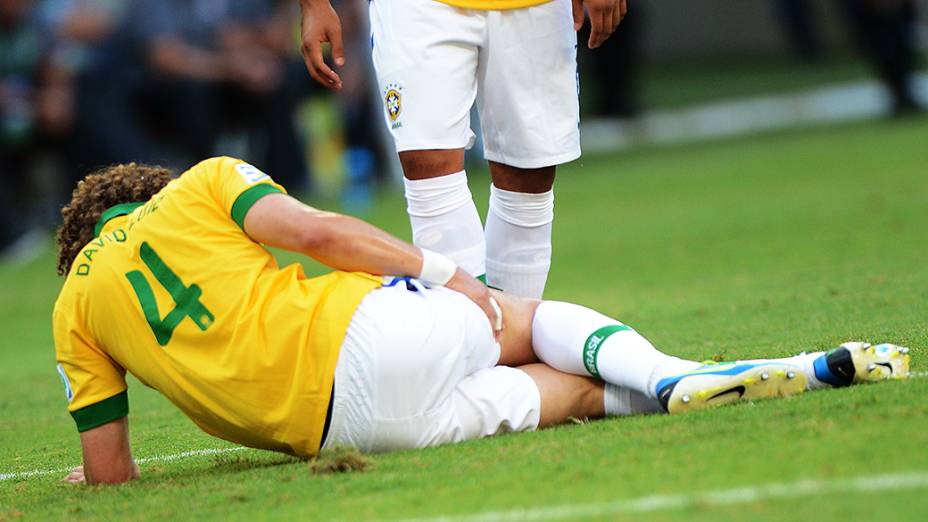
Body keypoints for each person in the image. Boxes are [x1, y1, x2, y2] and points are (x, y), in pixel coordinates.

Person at [54, 157, 910, 485]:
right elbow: (317, 234)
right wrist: (441, 270)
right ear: (142, 191)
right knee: (520, 317)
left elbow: (110, 471)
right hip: (359, 335)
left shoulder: (71, 311)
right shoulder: (198, 186)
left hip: (344, 432)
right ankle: (677, 378)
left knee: (569, 397)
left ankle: (777, 373)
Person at [299, 0, 629, 299]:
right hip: (415, 9)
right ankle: (474, 345)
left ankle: (512, 342)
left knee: (529, 174)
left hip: (535, 6)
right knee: (428, 163)